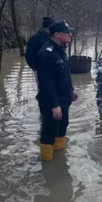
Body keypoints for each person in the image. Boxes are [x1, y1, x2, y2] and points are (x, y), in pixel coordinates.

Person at [36, 20, 78, 161]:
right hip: (52, 102)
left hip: (64, 99)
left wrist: (71, 91)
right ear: (57, 34)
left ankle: (60, 163)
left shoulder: (61, 51)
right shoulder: (46, 54)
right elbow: (46, 83)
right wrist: (54, 105)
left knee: (62, 130)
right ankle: (47, 167)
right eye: (67, 33)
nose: (70, 35)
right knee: (49, 133)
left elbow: (64, 75)